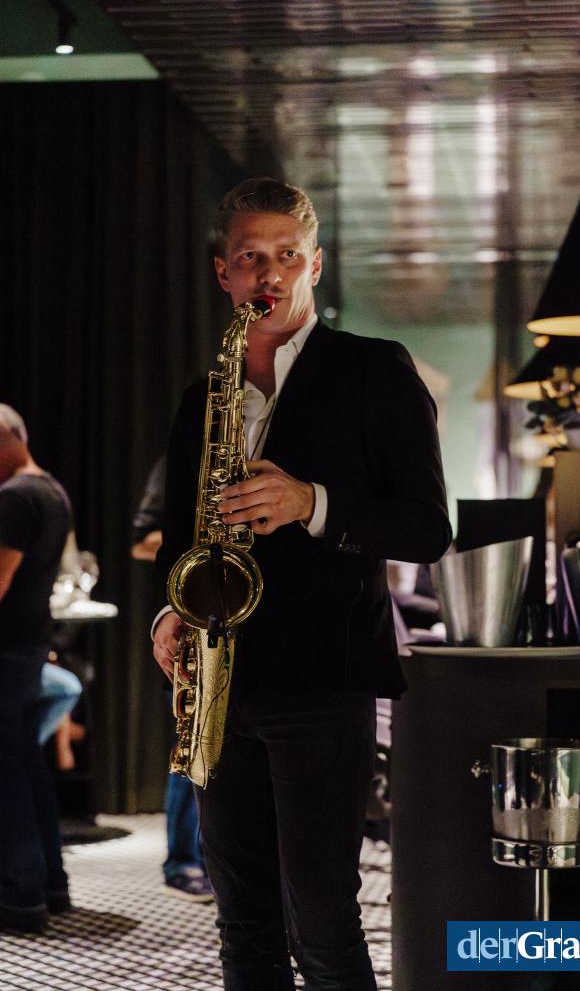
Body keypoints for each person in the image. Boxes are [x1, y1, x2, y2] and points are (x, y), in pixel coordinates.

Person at [152, 178, 451, 990]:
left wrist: (310, 503)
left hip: (322, 681)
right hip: (221, 680)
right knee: (241, 920)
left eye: (287, 255)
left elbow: (427, 527)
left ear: (315, 265)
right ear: (224, 273)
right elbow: (179, 538)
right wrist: (169, 612)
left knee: (321, 919)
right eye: (251, 257)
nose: (270, 273)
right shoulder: (203, 396)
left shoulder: (374, 371)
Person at [0, 404, 73, 933]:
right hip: (28, 646)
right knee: (26, 765)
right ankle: (52, 885)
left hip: (6, 650)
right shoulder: (51, 490)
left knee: (7, 773)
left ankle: (19, 896)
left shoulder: (14, 497)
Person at [132, 455, 214, 902]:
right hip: (196, 610)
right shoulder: (179, 459)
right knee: (194, 737)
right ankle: (183, 860)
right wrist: (206, 547)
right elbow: (142, 542)